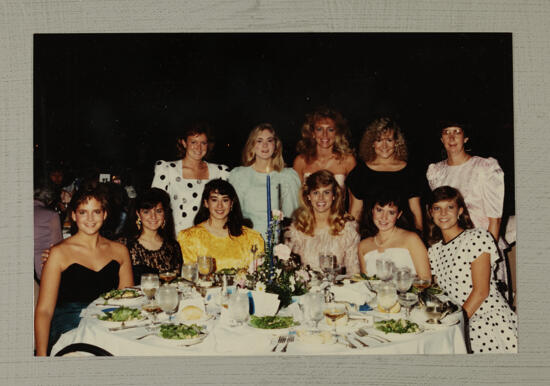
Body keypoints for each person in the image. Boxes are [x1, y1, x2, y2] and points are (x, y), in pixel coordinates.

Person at [34, 187, 134, 356]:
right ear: (73, 215)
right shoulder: (58, 253)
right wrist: (41, 356)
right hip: (69, 329)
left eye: (96, 211)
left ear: (105, 214)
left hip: (107, 325)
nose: (90, 218)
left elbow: (127, 303)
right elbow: (44, 311)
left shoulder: (120, 251)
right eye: (82, 212)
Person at [426, 186, 517, 353]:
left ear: (460, 211)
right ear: (431, 212)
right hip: (458, 319)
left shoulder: (477, 237)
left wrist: (458, 325)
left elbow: (481, 291)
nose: (443, 213)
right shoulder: (434, 250)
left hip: (486, 320)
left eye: (450, 207)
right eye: (437, 208)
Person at [347, 117, 424, 231]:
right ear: (372, 143)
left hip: (403, 238)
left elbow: (416, 212)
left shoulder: (410, 172)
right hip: (370, 237)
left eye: (389, 140)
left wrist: (419, 237)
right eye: (379, 140)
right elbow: (355, 213)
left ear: (396, 142)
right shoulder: (360, 173)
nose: (384, 145)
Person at [152, 122, 229, 235]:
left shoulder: (220, 172)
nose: (198, 147)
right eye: (193, 142)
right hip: (177, 238)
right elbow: (154, 206)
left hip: (210, 237)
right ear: (184, 143)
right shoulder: (168, 169)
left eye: (203, 143)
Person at [229, 123, 301, 238]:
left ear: (276, 145)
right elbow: (233, 217)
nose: (265, 145)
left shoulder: (288, 177)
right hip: (247, 241)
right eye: (259, 141)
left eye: (269, 140)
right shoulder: (239, 175)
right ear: (252, 145)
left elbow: (292, 218)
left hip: (278, 243)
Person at [177, 179, 264, 271]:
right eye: (214, 200)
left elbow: (257, 276)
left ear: (231, 204)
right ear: (206, 203)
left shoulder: (251, 238)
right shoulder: (189, 237)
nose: (220, 206)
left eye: (225, 200)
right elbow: (190, 276)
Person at [285, 170, 360, 274]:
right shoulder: (298, 228)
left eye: (326, 192)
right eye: (316, 192)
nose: (321, 198)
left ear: (334, 196)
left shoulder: (346, 228)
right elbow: (290, 270)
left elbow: (354, 272)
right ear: (308, 196)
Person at [357, 191, 431, 279]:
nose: (384, 217)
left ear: (398, 215)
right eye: (379, 210)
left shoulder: (411, 239)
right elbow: (365, 284)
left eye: (391, 212)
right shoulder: (363, 245)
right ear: (372, 211)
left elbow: (426, 279)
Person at [118, 188, 182, 284]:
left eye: (158, 211)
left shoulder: (173, 246)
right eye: (146, 212)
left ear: (165, 213)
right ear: (138, 214)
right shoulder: (124, 245)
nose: (153, 217)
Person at [293, 107, 356, 188]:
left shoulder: (348, 161)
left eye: (330, 129)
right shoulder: (301, 161)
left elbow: (354, 199)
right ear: (313, 133)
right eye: (319, 129)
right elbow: (296, 197)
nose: (325, 135)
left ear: (336, 133)